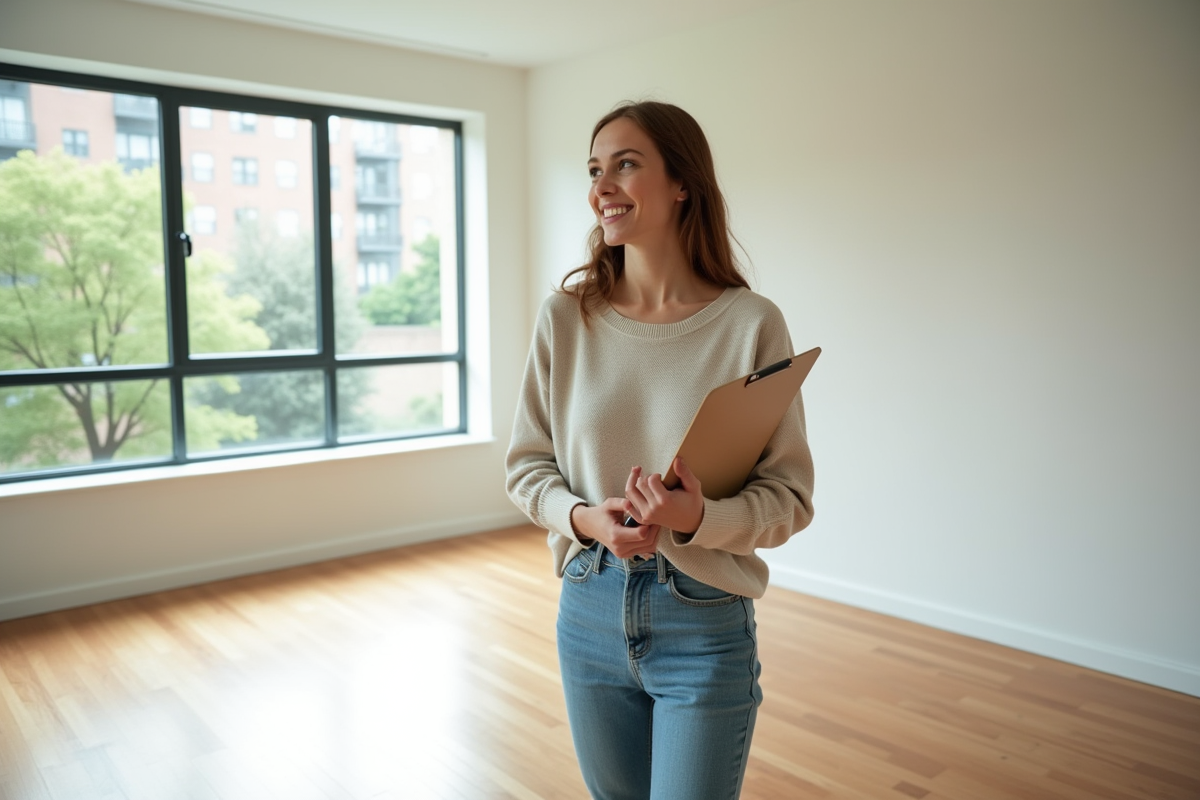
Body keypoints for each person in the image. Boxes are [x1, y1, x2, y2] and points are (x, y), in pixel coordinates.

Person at [505, 100, 815, 800]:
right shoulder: (565, 318)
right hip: (587, 611)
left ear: (682, 183)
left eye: (626, 164)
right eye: (594, 169)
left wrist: (698, 517)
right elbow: (526, 468)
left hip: (702, 621)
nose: (601, 186)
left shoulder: (750, 325)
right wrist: (588, 519)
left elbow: (789, 502)